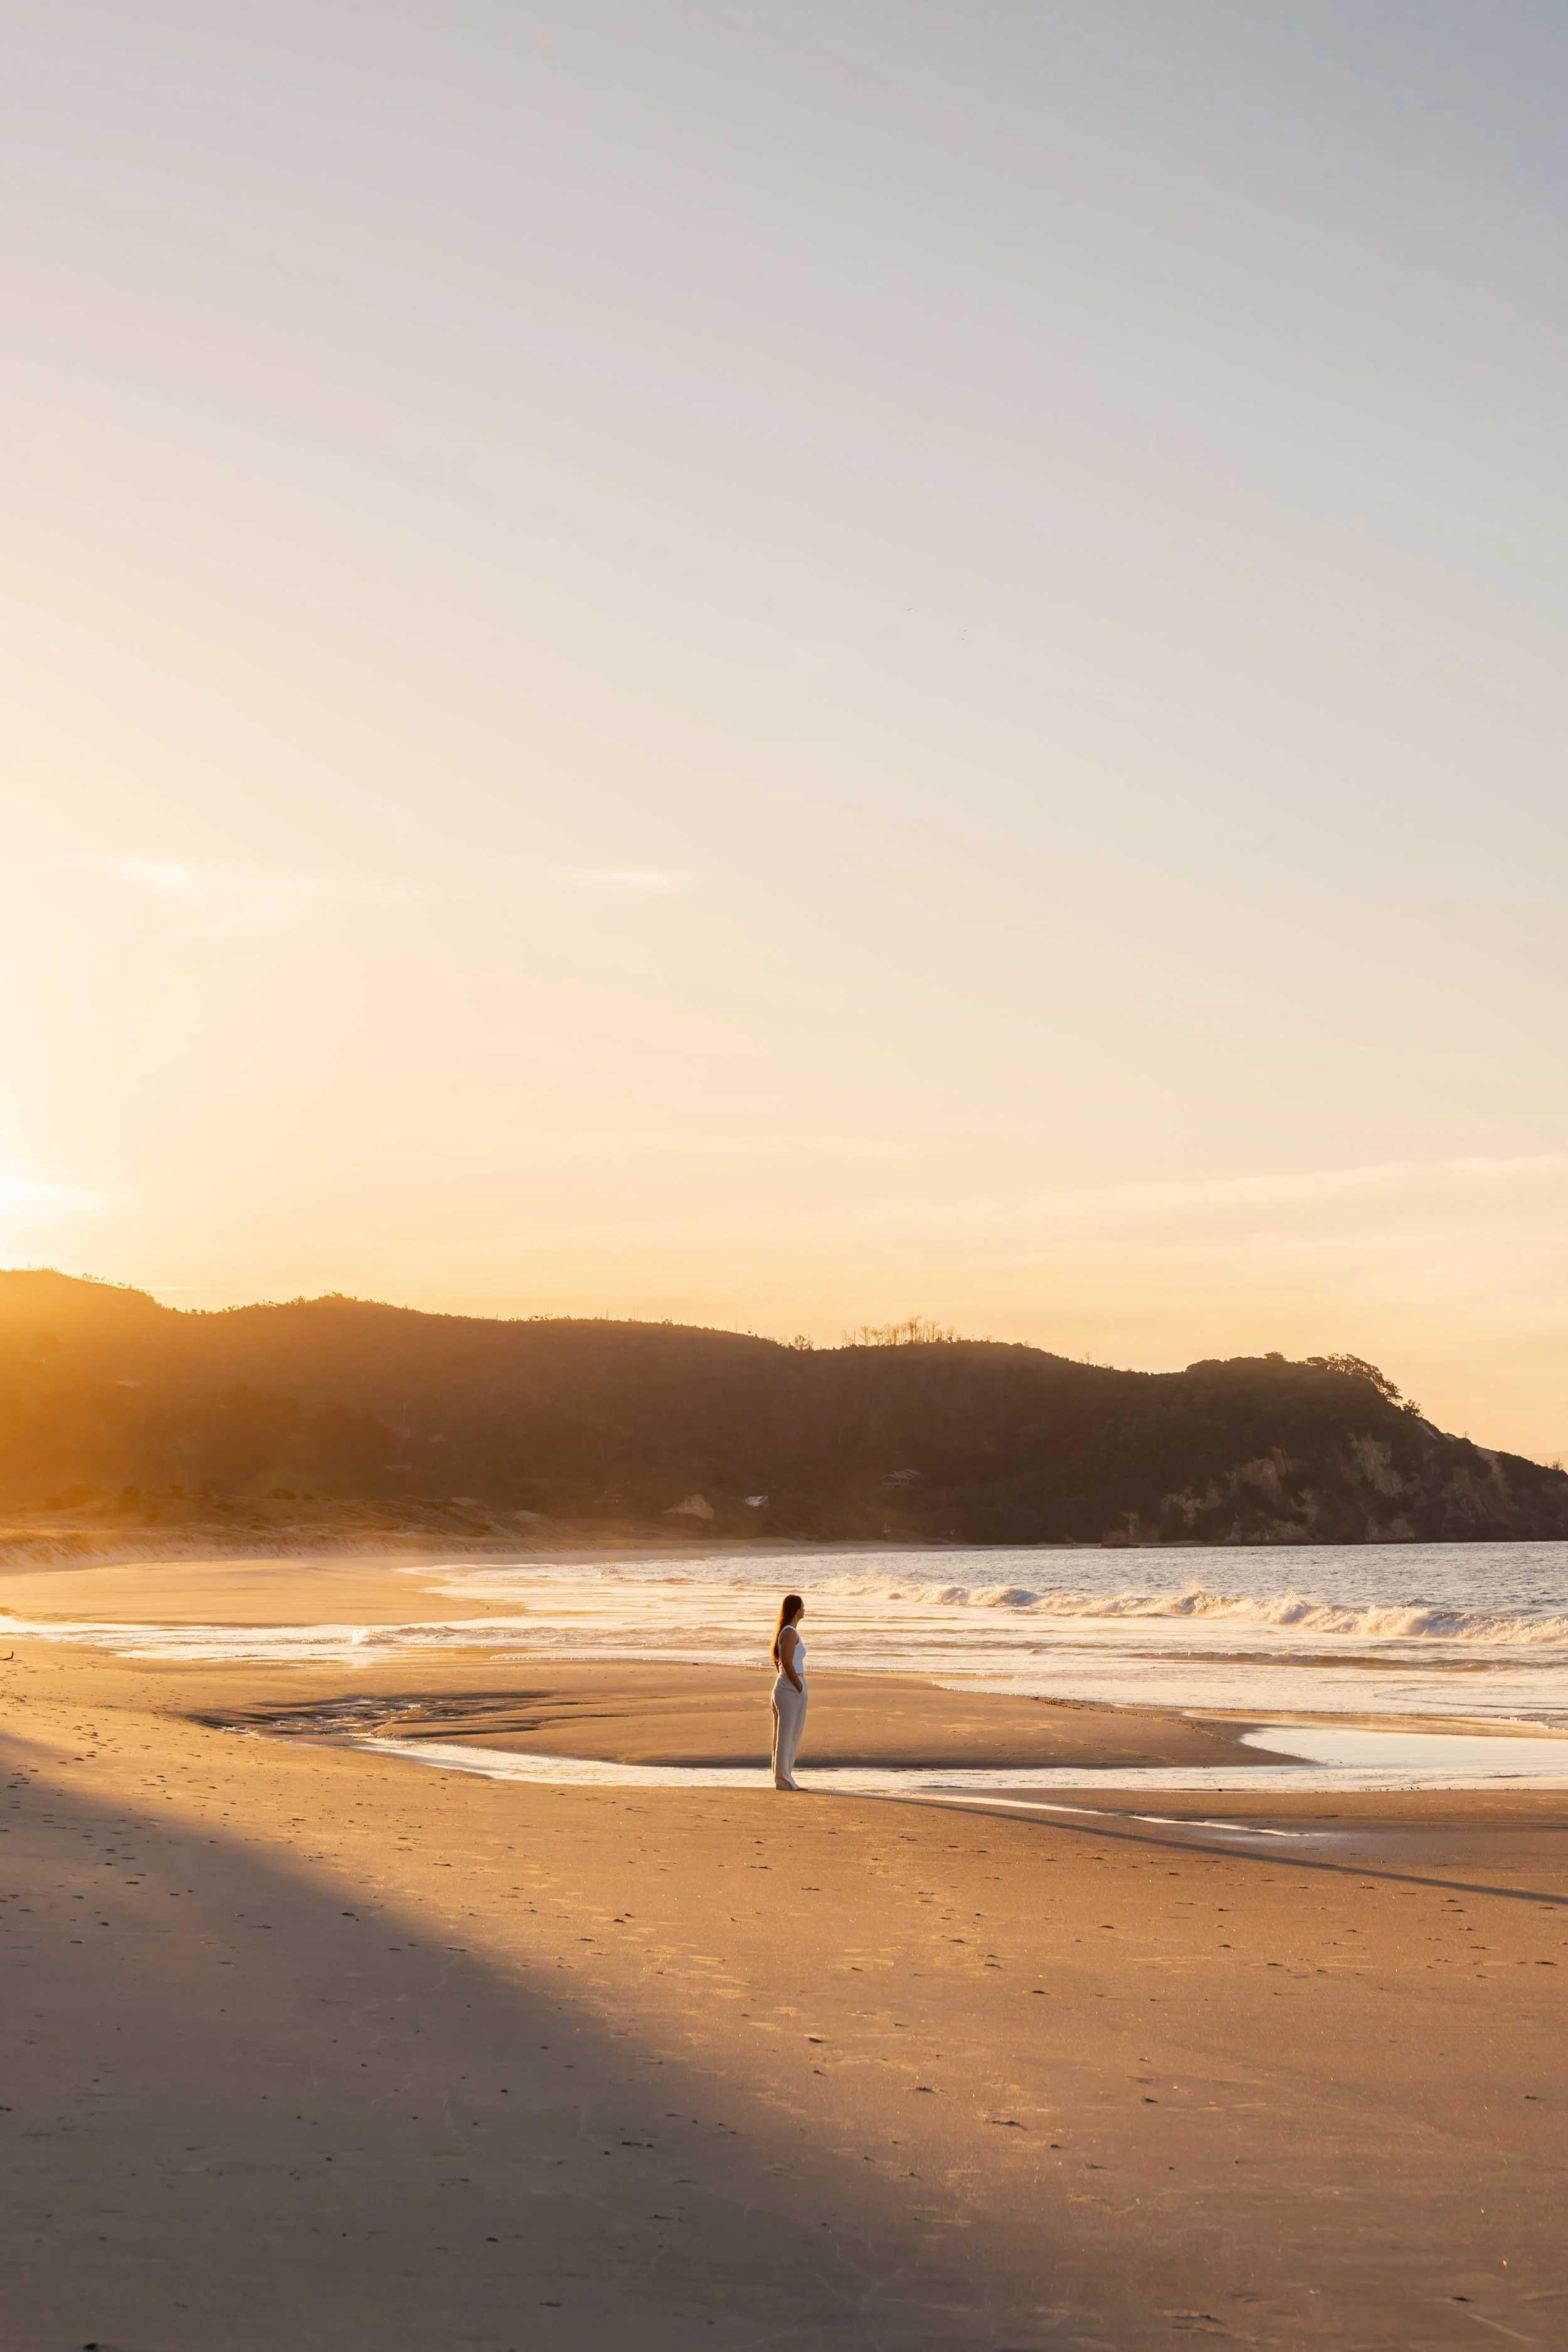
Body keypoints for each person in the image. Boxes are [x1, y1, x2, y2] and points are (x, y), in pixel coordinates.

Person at [770, 1592, 807, 1790]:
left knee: (788, 1735)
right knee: (787, 1736)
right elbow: (786, 1662)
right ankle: (784, 1780)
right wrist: (798, 1686)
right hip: (790, 1688)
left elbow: (780, 1662)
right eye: (803, 1606)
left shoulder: (787, 1632)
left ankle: (785, 1778)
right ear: (796, 1610)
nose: (805, 1609)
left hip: (787, 1686)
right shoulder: (790, 1632)